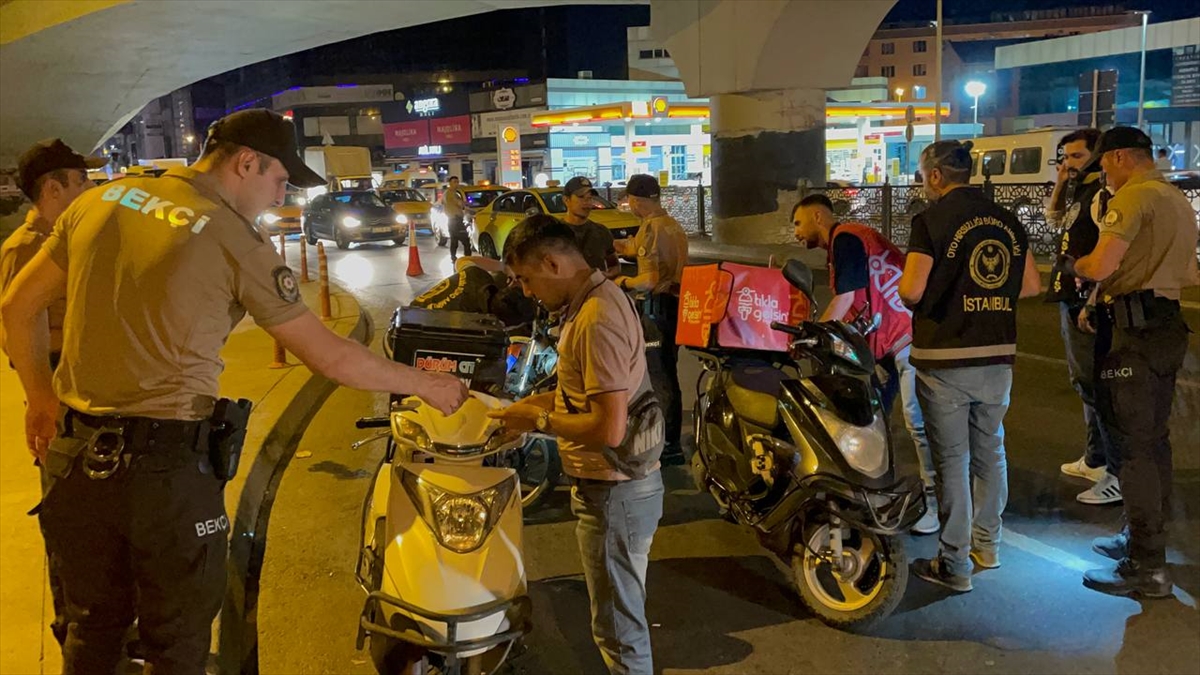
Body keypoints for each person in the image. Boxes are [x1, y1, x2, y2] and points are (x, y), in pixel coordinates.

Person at [0, 108, 468, 673]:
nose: (278, 196)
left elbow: (16, 306)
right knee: (177, 640)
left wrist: (41, 399)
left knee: (91, 629)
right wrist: (428, 385)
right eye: (278, 181)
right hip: (165, 473)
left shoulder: (99, 202)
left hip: (76, 460)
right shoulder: (233, 240)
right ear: (247, 163)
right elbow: (329, 355)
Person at [490, 215, 663, 675]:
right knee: (618, 614)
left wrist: (540, 419)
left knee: (618, 630)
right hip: (620, 489)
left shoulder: (596, 319)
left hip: (614, 491)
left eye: (527, 279)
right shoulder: (597, 300)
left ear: (551, 262)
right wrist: (527, 409)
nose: (526, 292)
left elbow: (608, 427)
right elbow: (584, 395)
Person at [898, 139, 1042, 593]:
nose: (924, 185)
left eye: (923, 177)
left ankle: (955, 565)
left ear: (936, 175)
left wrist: (952, 294)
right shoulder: (1008, 220)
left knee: (951, 462)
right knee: (991, 451)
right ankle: (988, 545)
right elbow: (1032, 285)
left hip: (944, 356)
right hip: (997, 353)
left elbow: (911, 291)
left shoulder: (930, 221)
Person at [1064, 127, 1198, 598]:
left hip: (1132, 333)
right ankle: (1143, 538)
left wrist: (1076, 266)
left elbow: (1100, 265)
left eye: (1104, 162)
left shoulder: (1133, 197)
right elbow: (1187, 270)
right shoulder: (1177, 198)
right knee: (1154, 441)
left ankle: (1147, 566)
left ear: (1121, 157)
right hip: (1166, 325)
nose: (1103, 170)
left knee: (1134, 446)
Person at [0, 139, 105, 648]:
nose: (88, 189)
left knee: (96, 514)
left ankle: (102, 623)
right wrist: (43, 399)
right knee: (67, 516)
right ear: (52, 188)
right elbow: (15, 333)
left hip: (84, 386)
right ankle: (72, 628)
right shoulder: (26, 247)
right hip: (58, 390)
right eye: (80, 181)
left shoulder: (68, 238)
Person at [792, 193, 936, 536]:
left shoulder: (845, 238)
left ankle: (936, 503)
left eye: (798, 223)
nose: (796, 232)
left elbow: (846, 297)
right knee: (875, 423)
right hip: (892, 341)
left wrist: (813, 335)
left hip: (905, 338)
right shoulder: (852, 239)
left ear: (817, 216)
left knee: (919, 424)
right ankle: (879, 493)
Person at [1043, 128, 1122, 505]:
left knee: (1097, 385)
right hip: (1070, 296)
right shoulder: (1079, 191)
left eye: (1076, 157)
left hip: (1087, 300)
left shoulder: (1102, 196)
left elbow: (1110, 253)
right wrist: (1060, 183)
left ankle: (1115, 471)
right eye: (1065, 157)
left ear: (1097, 155)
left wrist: (1092, 297)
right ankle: (1095, 458)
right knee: (1084, 382)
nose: (1068, 164)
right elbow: (1055, 222)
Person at [613, 174, 689, 466]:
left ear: (637, 200)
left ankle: (668, 445)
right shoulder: (671, 225)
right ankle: (670, 441)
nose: (628, 204)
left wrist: (622, 282)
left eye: (629, 200)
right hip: (676, 305)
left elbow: (648, 279)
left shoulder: (652, 230)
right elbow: (639, 249)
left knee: (659, 377)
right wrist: (619, 245)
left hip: (658, 308)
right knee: (669, 370)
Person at [410, 255, 536, 327]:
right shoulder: (471, 323)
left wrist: (504, 267)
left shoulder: (478, 275)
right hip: (407, 339)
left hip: (408, 314)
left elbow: (461, 261)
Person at [561, 176, 620, 275]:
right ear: (566, 200)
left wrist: (605, 277)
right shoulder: (554, 233)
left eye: (590, 198)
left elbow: (614, 266)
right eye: (581, 197)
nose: (587, 202)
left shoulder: (601, 232)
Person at [442, 175, 470, 260]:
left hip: (452, 220)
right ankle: (468, 258)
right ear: (450, 183)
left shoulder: (448, 193)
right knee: (466, 241)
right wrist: (465, 203)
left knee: (454, 240)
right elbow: (460, 204)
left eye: (457, 182)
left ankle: (453, 257)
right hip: (456, 220)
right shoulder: (451, 193)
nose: (457, 184)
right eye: (454, 182)